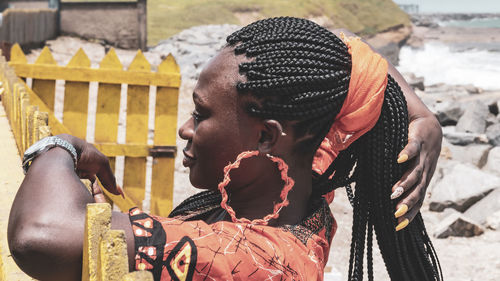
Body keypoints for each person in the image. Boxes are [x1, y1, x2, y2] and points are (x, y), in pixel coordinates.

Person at [8, 17, 443, 281]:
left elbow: (39, 236)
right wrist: (424, 117)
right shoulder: (303, 183)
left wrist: (57, 147)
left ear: (265, 138)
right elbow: (345, 56)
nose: (184, 128)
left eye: (200, 114)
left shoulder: (256, 259)